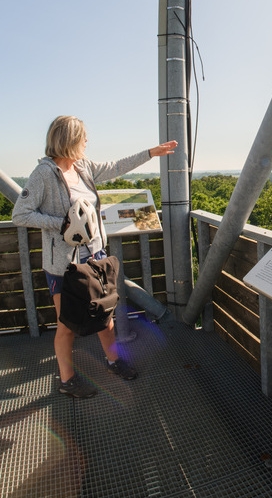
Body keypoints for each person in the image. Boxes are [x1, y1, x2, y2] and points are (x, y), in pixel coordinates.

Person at [12, 115, 178, 398]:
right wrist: (63, 224)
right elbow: (20, 214)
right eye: (83, 137)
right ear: (70, 140)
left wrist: (151, 153)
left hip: (95, 256)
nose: (87, 142)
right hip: (65, 265)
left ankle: (114, 362)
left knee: (106, 315)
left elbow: (116, 167)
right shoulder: (44, 174)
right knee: (66, 325)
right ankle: (67, 381)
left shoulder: (84, 167)